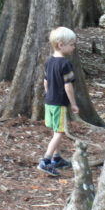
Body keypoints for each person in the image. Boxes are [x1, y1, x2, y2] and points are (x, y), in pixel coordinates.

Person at [37, 26, 80, 177]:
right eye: (72, 44)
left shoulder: (49, 61)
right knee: (59, 132)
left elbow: (45, 82)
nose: (73, 47)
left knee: (55, 130)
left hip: (49, 101)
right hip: (59, 104)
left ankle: (57, 158)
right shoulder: (65, 64)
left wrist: (50, 95)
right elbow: (68, 86)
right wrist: (73, 104)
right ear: (61, 45)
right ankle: (46, 161)